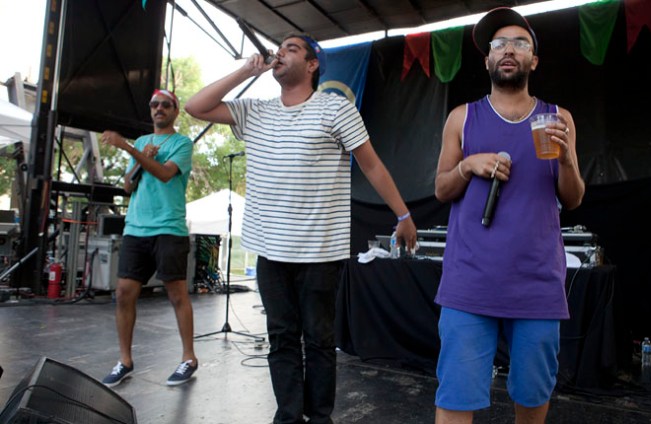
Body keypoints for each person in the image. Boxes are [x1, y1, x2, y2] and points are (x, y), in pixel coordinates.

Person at [184, 33, 417, 423]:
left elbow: (371, 164)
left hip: (319, 252)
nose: (280, 53)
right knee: (281, 338)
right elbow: (195, 106)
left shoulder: (335, 108)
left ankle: (320, 418)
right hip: (270, 251)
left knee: (320, 340)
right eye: (280, 48)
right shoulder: (255, 111)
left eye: (291, 49)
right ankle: (289, 417)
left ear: (312, 65)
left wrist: (404, 215)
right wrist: (245, 71)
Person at [433, 7, 585, 424]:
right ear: (487, 59)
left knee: (533, 397)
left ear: (533, 60)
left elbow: (573, 199)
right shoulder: (462, 117)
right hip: (469, 281)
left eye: (520, 43)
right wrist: (467, 166)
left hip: (537, 282)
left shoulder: (559, 118)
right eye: (498, 44)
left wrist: (567, 160)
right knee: (456, 395)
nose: (508, 50)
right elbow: (441, 189)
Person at [100, 89, 198, 387]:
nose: (159, 108)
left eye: (166, 105)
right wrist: (140, 157)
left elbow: (166, 174)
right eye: (154, 104)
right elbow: (128, 186)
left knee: (176, 294)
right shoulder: (143, 142)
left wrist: (129, 148)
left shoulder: (182, 143)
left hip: (168, 228)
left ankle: (189, 358)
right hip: (136, 228)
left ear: (175, 111)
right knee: (123, 293)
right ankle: (125, 360)